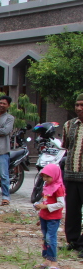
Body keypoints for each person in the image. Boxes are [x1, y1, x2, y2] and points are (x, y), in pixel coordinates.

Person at [33, 164, 65, 269]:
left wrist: (46, 207)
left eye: (48, 177)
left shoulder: (58, 188)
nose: (45, 179)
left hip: (53, 218)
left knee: (50, 238)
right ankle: (47, 260)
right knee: (45, 238)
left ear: (55, 176)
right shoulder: (47, 186)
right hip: (44, 217)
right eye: (44, 177)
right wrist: (40, 206)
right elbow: (46, 200)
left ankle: (54, 263)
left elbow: (61, 204)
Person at [62, 93, 83, 257]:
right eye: (77, 105)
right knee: (72, 211)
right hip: (70, 175)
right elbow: (67, 147)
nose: (79, 108)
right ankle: (73, 241)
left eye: (82, 105)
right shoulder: (69, 125)